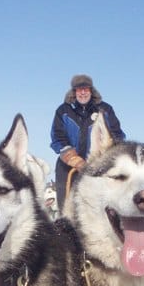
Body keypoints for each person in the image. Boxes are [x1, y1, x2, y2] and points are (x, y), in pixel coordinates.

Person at [50, 74, 125, 212]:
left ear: (91, 91)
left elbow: (117, 135)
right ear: (74, 92)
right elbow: (57, 136)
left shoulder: (105, 110)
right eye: (79, 89)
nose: (83, 92)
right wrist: (72, 157)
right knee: (67, 208)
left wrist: (107, 155)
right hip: (68, 168)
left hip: (97, 166)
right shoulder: (63, 110)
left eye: (86, 89)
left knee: (97, 208)